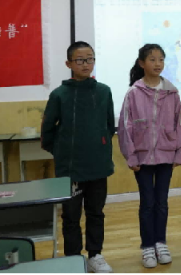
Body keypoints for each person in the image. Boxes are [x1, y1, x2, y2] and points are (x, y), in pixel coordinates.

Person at [41, 42, 115, 275]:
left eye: (90, 59)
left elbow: (109, 126)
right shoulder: (59, 94)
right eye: (80, 60)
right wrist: (63, 152)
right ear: (69, 64)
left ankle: (95, 255)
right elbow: (47, 132)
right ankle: (73, 259)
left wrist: (100, 146)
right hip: (70, 168)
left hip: (98, 165)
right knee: (71, 216)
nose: (86, 64)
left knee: (96, 212)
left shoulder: (103, 91)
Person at [118, 44, 181, 269]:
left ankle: (160, 243)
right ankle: (147, 246)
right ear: (142, 63)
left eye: (161, 59)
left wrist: (179, 153)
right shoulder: (134, 93)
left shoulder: (172, 93)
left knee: (161, 203)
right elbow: (125, 127)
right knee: (147, 202)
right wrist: (131, 157)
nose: (157, 64)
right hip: (142, 159)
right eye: (152, 59)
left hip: (166, 156)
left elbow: (179, 124)